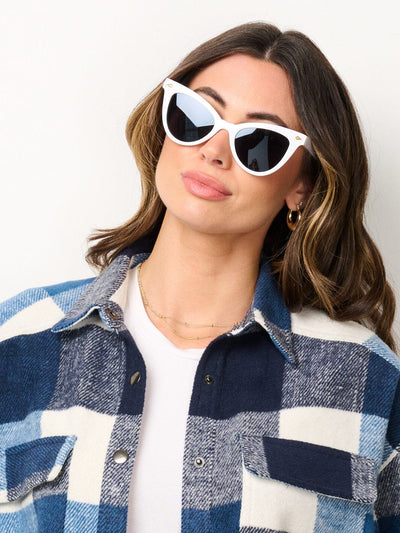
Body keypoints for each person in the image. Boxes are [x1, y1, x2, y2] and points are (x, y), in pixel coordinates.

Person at [0, 21, 398, 533]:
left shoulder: (365, 375)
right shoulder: (18, 340)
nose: (214, 150)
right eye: (195, 116)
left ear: (301, 186)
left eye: (260, 142)